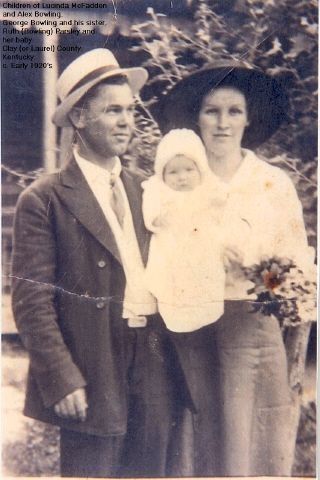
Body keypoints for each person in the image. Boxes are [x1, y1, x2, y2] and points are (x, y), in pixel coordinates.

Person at [11, 48, 192, 478]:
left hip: (153, 361)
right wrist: (61, 376)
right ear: (79, 119)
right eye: (113, 111)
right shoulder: (44, 199)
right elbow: (32, 301)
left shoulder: (146, 189)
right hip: (93, 363)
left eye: (130, 110)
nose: (127, 121)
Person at [154, 61, 315, 476]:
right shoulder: (179, 177)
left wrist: (261, 270)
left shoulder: (272, 183)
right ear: (197, 118)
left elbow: (296, 267)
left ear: (248, 119)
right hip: (190, 328)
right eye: (212, 111)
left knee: (253, 444)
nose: (222, 124)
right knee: (196, 442)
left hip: (252, 332)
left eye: (233, 112)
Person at [142, 128, 228, 333]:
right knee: (171, 283)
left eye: (189, 170)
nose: (182, 178)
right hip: (171, 250)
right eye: (173, 172)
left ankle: (206, 312)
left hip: (202, 250)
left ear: (201, 170)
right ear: (162, 173)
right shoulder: (157, 189)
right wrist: (157, 218)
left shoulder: (208, 188)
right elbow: (150, 213)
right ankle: (177, 317)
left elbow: (222, 204)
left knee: (205, 278)